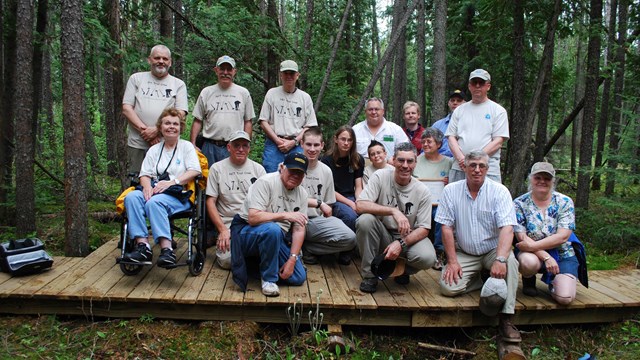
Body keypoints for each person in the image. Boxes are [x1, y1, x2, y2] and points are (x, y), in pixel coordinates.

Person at [435, 150, 521, 343]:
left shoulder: (499, 191)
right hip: (464, 251)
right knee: (447, 288)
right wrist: (452, 261)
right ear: (464, 167)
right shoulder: (451, 191)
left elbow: (508, 228)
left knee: (511, 262)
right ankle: (480, 282)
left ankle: (507, 318)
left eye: (481, 166)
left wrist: (500, 259)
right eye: (472, 165)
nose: (477, 170)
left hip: (493, 250)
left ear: (487, 169)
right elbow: (446, 228)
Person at [123, 108, 201, 267]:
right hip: (155, 190)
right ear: (160, 127)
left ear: (180, 127)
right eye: (167, 123)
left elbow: (195, 171)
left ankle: (167, 249)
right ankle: (142, 245)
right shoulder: (154, 149)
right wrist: (146, 188)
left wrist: (172, 182)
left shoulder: (186, 147)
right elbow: (144, 174)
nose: (171, 127)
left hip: (179, 194)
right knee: (131, 197)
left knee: (154, 202)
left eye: (175, 124)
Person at [356, 142, 437, 293]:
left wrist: (401, 243)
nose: (405, 165)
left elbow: (424, 228)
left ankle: (402, 270)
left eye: (410, 161)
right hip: (382, 234)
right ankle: (370, 276)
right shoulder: (380, 176)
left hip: (408, 238)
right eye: (401, 160)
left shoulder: (422, 190)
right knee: (365, 220)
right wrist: (393, 211)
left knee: (428, 257)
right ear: (392, 160)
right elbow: (360, 205)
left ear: (415, 163)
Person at [230, 152, 309, 297]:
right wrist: (285, 215)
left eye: (300, 173)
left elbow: (299, 229)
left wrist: (292, 259)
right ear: (282, 168)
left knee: (298, 277)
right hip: (246, 232)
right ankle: (269, 280)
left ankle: (256, 266)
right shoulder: (266, 182)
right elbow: (253, 217)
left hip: (277, 238)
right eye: (292, 171)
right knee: (273, 229)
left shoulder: (302, 194)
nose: (295, 176)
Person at [514, 162, 586, 305]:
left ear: (553, 181)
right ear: (530, 179)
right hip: (533, 256)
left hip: (562, 253)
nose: (542, 181)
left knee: (565, 298)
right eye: (538, 177)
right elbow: (521, 237)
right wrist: (546, 256)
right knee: (528, 263)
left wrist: (531, 246)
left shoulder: (565, 202)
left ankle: (556, 282)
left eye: (547, 178)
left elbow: (563, 236)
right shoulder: (518, 203)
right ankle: (529, 278)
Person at [122, 45, 188, 173]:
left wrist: (157, 130)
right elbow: (127, 108)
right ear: (149, 60)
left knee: (165, 181)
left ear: (170, 62)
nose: (161, 61)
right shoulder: (136, 79)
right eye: (157, 58)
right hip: (138, 143)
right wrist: (146, 132)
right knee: (135, 181)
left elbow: (181, 113)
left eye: (165, 58)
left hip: (167, 143)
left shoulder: (178, 84)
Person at [205, 130, 266, 269]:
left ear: (249, 149)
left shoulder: (259, 170)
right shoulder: (217, 169)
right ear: (228, 147)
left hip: (252, 222)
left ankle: (246, 255)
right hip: (228, 223)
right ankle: (244, 255)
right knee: (227, 262)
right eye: (236, 145)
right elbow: (210, 202)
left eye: (245, 145)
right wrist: (222, 230)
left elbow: (267, 202)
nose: (240, 149)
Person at [300, 127, 357, 265]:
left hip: (315, 221)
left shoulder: (326, 171)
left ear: (322, 145)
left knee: (350, 238)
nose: (312, 149)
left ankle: (308, 248)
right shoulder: (292, 166)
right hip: (293, 219)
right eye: (308, 144)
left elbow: (329, 202)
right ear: (301, 144)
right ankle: (297, 245)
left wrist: (327, 222)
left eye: (316, 145)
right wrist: (318, 203)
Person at [190, 55, 255, 165]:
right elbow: (197, 120)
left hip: (234, 146)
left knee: (232, 178)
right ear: (216, 70)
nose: (225, 72)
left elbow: (248, 121)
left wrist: (245, 145)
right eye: (222, 69)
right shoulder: (206, 92)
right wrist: (192, 144)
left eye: (229, 69)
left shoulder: (243, 93)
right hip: (209, 146)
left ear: (234, 71)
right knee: (208, 179)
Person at [446, 69, 509, 183]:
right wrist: (462, 159)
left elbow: (498, 141)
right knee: (456, 199)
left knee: (489, 200)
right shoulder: (459, 110)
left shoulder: (498, 111)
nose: (478, 86)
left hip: (488, 169)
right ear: (470, 86)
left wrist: (475, 161)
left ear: (488, 86)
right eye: (474, 83)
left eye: (481, 83)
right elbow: (451, 137)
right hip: (460, 168)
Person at [259, 60, 317, 173]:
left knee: (297, 175)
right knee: (271, 177)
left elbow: (309, 125)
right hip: (274, 144)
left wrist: (294, 142)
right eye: (286, 73)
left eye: (292, 73)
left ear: (297, 75)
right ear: (281, 75)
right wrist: (277, 140)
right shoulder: (272, 93)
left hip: (296, 145)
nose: (289, 76)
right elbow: (263, 121)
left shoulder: (305, 98)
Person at [413, 127, 453, 265]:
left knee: (440, 215)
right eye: (423, 141)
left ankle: (439, 253)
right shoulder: (415, 161)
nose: (425, 144)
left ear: (439, 144)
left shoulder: (449, 162)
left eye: (429, 141)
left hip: (440, 204)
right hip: (418, 202)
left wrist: (449, 183)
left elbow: (456, 185)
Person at [321, 126, 364, 232]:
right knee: (350, 217)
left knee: (366, 216)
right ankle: (348, 245)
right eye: (343, 139)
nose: (346, 143)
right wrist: (350, 204)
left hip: (352, 197)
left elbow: (358, 186)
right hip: (333, 199)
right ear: (336, 139)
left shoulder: (357, 159)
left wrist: (359, 202)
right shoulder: (326, 160)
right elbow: (329, 190)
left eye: (349, 140)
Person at [431, 89, 466, 158]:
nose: (455, 103)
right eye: (452, 100)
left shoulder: (470, 124)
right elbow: (427, 146)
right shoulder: (437, 126)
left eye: (459, 101)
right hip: (440, 162)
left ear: (465, 103)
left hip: (462, 161)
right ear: (448, 103)